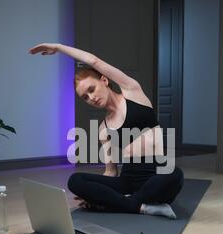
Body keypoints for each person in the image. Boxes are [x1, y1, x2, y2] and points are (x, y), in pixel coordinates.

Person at [29, 43, 184, 219]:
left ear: (104, 80)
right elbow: (111, 171)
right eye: (85, 97)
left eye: (91, 89)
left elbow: (93, 60)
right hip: (128, 181)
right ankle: (141, 206)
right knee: (75, 181)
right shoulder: (103, 129)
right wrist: (92, 193)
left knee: (175, 174)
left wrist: (58, 48)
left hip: (157, 174)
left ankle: (125, 202)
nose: (91, 98)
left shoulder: (133, 92)